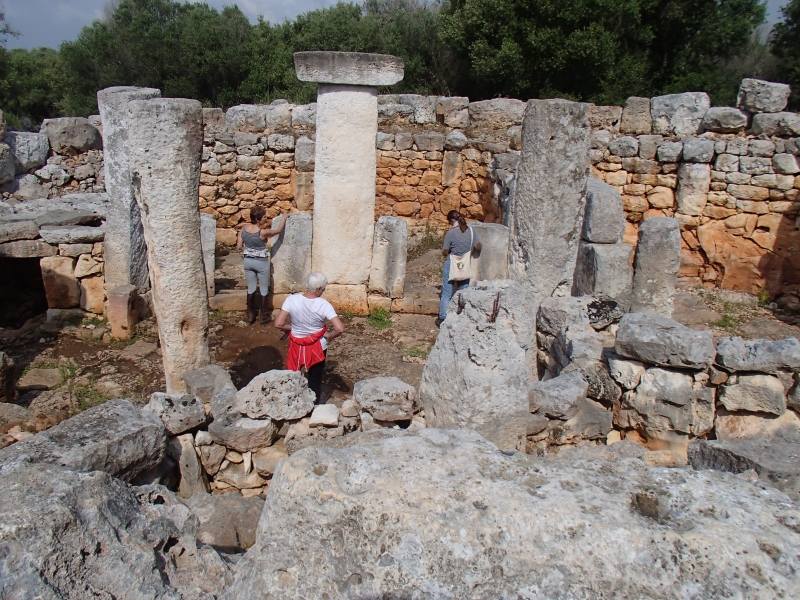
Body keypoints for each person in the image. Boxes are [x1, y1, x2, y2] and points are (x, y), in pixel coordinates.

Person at [274, 272, 344, 402]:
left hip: (296, 342)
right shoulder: (324, 305)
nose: (323, 291)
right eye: (323, 289)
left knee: (293, 374)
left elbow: (278, 323)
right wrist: (329, 335)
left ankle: (291, 401)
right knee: (315, 378)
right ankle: (313, 406)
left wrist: (292, 328)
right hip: (317, 345)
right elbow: (339, 328)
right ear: (318, 289)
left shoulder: (291, 299)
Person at [236, 206, 288, 325]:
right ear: (258, 220)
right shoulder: (263, 232)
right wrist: (284, 217)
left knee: (251, 287)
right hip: (261, 262)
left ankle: (250, 316)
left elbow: (239, 246)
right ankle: (263, 318)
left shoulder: (243, 229)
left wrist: (249, 250)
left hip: (248, 261)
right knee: (264, 289)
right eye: (264, 216)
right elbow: (278, 231)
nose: (266, 218)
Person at [438, 210, 482, 325]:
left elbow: (444, 251)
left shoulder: (451, 233)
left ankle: (443, 317)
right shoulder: (472, 230)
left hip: (451, 264)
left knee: (447, 293)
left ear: (452, 221)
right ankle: (463, 316)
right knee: (464, 290)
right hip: (465, 265)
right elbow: (478, 246)